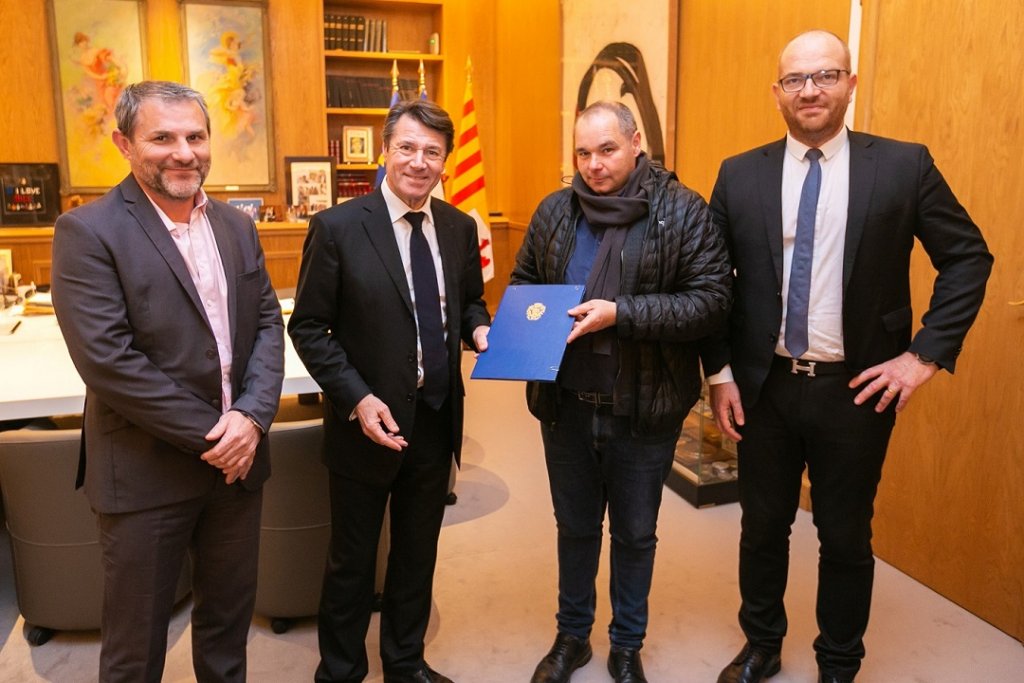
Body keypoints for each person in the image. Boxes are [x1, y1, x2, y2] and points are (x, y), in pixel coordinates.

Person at [702, 31, 993, 683]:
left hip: (857, 389)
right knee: (762, 525)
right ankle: (761, 643)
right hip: (764, 387)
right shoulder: (739, 173)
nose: (810, 89)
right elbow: (711, 281)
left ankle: (838, 658)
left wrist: (922, 356)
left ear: (851, 83)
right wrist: (718, 372)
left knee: (845, 532)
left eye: (826, 74)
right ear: (776, 92)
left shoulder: (904, 166)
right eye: (796, 79)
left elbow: (968, 257)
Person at [50, 80, 284, 682]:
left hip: (238, 468)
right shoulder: (89, 231)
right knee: (135, 652)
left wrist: (253, 417)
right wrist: (220, 434)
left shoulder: (236, 225)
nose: (184, 152)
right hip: (146, 471)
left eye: (196, 136)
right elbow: (109, 361)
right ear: (124, 144)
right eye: (162, 138)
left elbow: (264, 325)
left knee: (227, 635)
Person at [511, 101, 732, 683]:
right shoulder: (556, 212)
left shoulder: (683, 212)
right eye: (582, 153)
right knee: (575, 528)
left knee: (636, 534)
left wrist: (621, 314)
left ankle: (627, 644)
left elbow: (709, 302)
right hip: (566, 407)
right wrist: (518, 333)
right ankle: (572, 637)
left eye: (606, 150)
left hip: (644, 409)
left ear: (636, 143)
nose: (593, 165)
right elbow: (524, 284)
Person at [288, 99, 491, 683]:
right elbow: (308, 326)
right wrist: (357, 397)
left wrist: (477, 327)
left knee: (417, 553)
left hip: (434, 416)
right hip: (366, 423)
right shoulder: (337, 227)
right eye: (407, 147)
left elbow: (469, 300)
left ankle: (405, 662)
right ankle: (341, 671)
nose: (419, 162)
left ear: (446, 161)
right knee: (352, 561)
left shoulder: (457, 228)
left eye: (432, 152)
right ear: (385, 151)